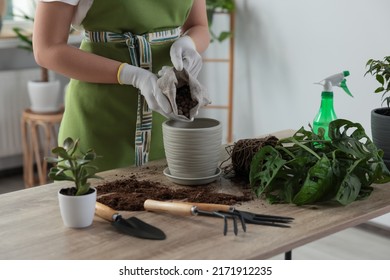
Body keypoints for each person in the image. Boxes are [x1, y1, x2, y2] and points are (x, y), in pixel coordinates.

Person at [33, 0, 210, 172]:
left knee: (168, 197)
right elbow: (47, 48)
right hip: (99, 119)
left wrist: (190, 43)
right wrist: (131, 75)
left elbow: (199, 27)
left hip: (166, 114)